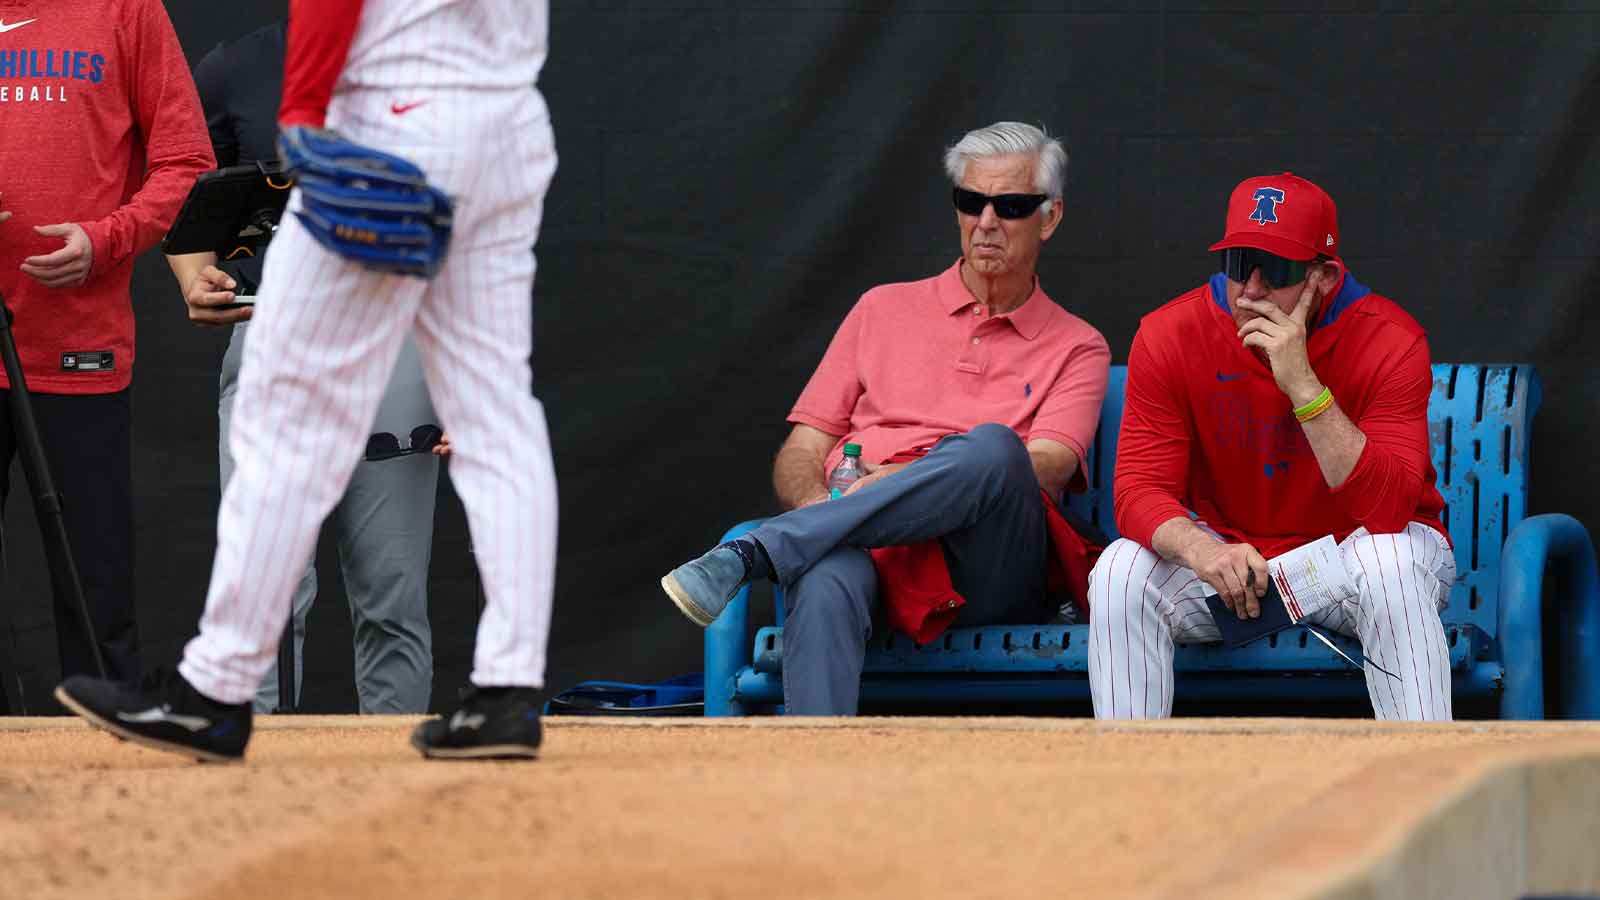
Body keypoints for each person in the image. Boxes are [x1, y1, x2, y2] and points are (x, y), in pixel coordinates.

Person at [55, 0, 558, 761]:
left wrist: (303, 114)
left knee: (282, 409)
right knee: (495, 406)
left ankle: (215, 691)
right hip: (504, 119)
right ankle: (509, 693)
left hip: (392, 114)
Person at [661, 122, 1111, 715]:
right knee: (822, 581)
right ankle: (815, 784)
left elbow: (1046, 467)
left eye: (1011, 206)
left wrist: (888, 485)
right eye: (971, 201)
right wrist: (826, 507)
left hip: (982, 569)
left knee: (997, 449)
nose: (987, 221)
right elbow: (802, 450)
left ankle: (758, 552)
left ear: (1049, 218)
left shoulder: (1079, 345)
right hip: (870, 555)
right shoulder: (881, 309)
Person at [1089, 172, 1454, 721]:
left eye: (1277, 271)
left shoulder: (1389, 338)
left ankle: (1431, 787)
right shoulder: (1170, 333)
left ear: (1323, 277)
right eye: (1239, 265)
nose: (1252, 291)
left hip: (1353, 561)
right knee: (1120, 570)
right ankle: (1129, 797)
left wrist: (1303, 385)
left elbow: (1388, 511)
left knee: (1389, 561)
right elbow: (1138, 490)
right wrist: (1203, 551)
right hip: (1244, 570)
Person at [168, 19, 442, 715]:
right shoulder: (237, 64)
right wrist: (199, 280)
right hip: (273, 345)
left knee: (393, 596)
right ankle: (257, 799)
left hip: (400, 344)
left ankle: (401, 807)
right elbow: (194, 206)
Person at [0, 0, 214, 709]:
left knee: (95, 588)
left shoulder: (125, 10)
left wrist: (108, 238)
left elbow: (187, 160)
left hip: (76, 346)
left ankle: (108, 764)